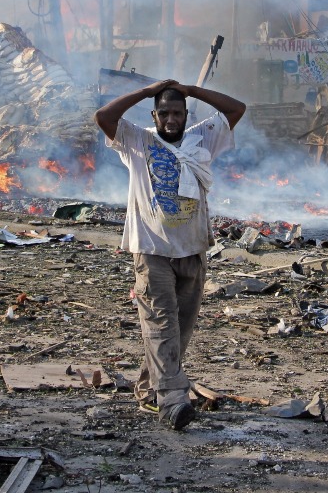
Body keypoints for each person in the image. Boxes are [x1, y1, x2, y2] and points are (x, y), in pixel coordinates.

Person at [94, 79, 246, 430]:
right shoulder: (137, 140)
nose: (171, 119)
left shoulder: (200, 137)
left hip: (192, 250)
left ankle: (149, 388)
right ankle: (173, 401)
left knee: (179, 331)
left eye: (177, 112)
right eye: (164, 113)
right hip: (151, 251)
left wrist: (192, 90)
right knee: (162, 325)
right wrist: (148, 90)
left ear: (185, 113)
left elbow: (236, 109)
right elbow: (103, 115)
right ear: (155, 114)